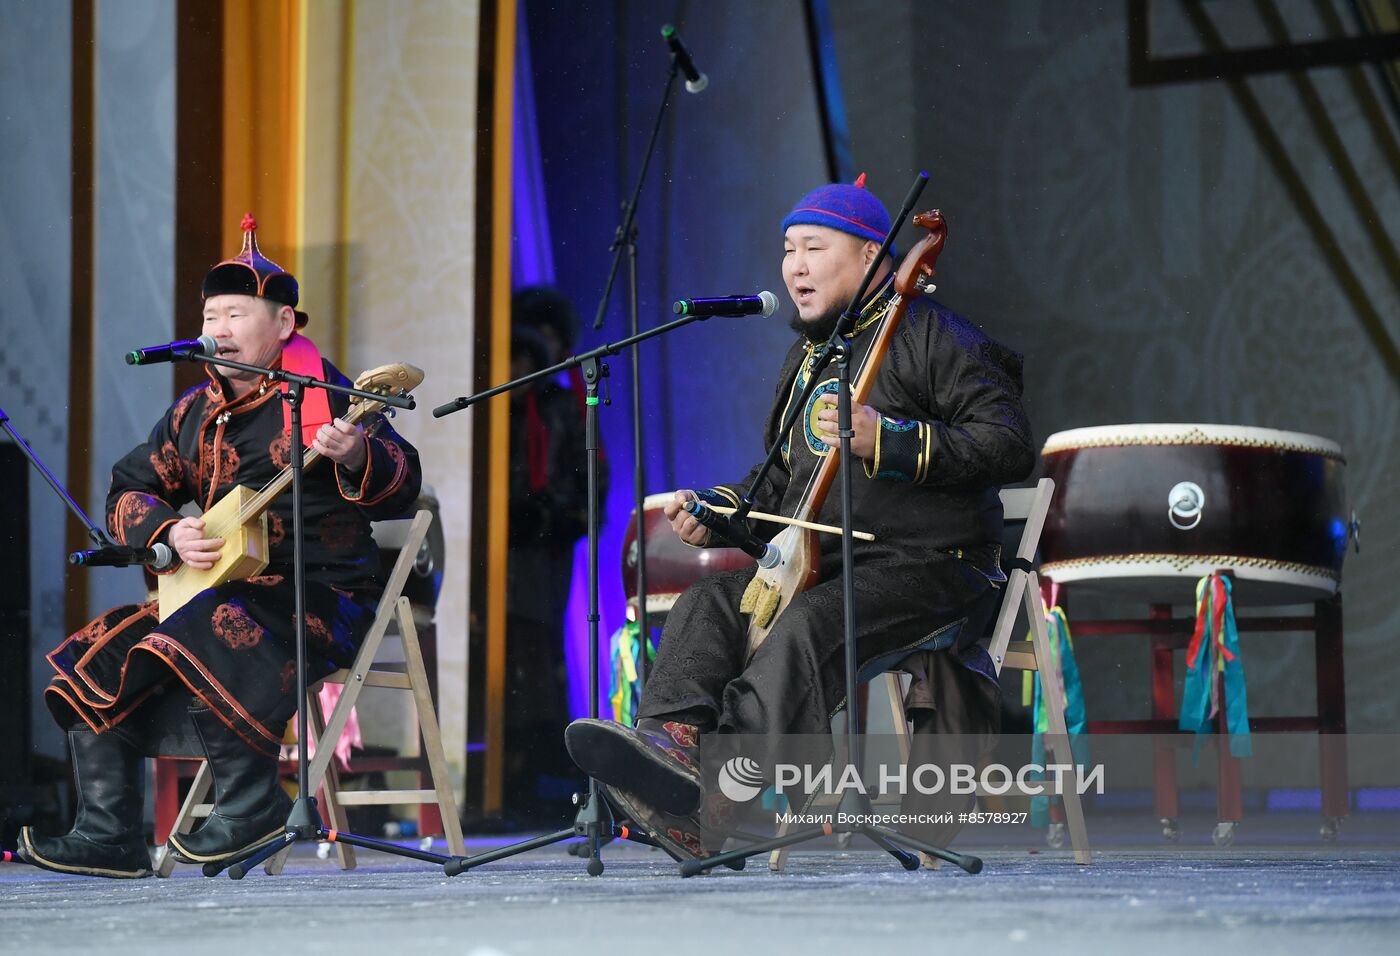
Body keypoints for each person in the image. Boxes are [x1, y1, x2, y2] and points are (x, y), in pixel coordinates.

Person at [564, 176, 1034, 860]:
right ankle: (670, 756)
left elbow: (1010, 444)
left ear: (874, 256)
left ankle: (718, 796)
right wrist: (718, 512)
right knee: (707, 604)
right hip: (833, 567)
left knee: (812, 622)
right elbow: (783, 491)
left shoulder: (941, 337)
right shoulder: (811, 359)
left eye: (814, 247)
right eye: (789, 249)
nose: (795, 266)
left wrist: (894, 440)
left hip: (934, 569)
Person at [18, 215, 422, 878]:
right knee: (99, 651)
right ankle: (109, 832)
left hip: (321, 596)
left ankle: (252, 806)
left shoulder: (327, 397)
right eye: (211, 315)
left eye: (236, 313)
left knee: (210, 624)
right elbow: (130, 487)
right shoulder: (190, 415)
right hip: (219, 593)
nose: (220, 329)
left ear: (285, 325)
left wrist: (355, 456)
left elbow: (402, 485)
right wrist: (167, 531)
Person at [501, 307, 591, 822]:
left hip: (539, 553)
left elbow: (586, 479)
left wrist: (546, 517)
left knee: (537, 657)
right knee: (504, 653)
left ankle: (536, 776)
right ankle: (509, 774)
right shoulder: (491, 413)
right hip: (493, 557)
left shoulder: (556, 408)